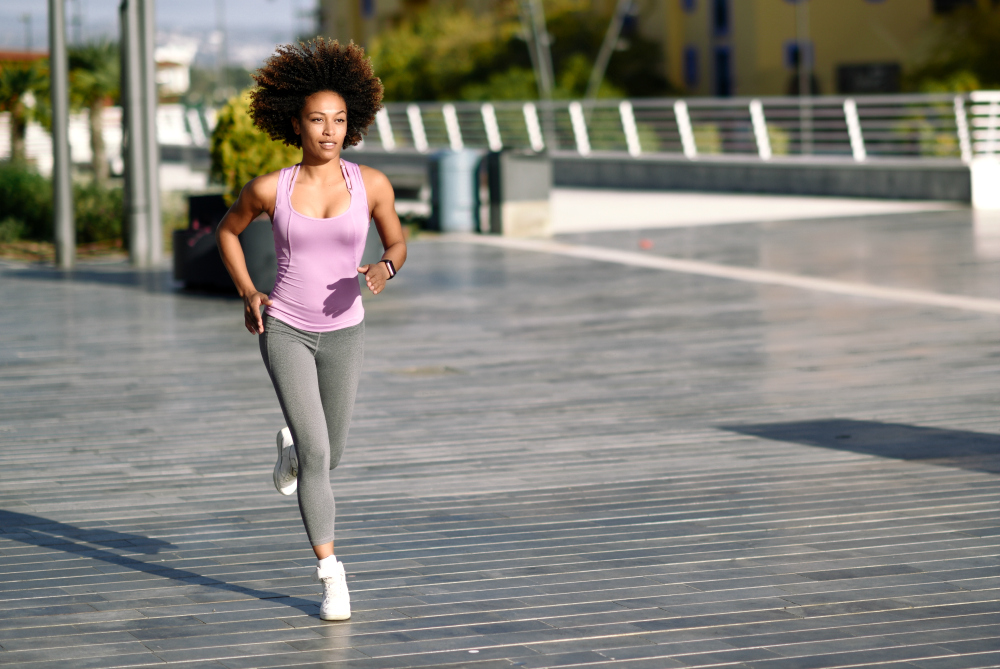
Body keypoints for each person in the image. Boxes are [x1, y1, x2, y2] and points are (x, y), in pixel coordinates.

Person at [215, 39, 406, 621]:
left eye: (340, 121)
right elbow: (227, 232)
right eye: (318, 120)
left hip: (346, 330)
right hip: (287, 329)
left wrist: (385, 265)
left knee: (331, 452)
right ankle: (332, 576)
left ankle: (291, 448)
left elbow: (397, 240)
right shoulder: (271, 189)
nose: (330, 130)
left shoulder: (370, 184)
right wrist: (250, 291)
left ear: (353, 126)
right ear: (295, 123)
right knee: (320, 457)